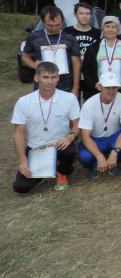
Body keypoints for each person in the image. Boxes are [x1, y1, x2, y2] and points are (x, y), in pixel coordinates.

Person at [11, 62, 81, 193]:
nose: (50, 81)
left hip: (60, 145)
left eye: (53, 77)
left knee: (70, 151)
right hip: (36, 148)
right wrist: (23, 160)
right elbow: (18, 133)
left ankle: (62, 171)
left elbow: (78, 125)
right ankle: (44, 170)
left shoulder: (69, 98)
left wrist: (70, 136)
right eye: (45, 77)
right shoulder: (24, 102)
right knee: (21, 187)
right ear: (36, 78)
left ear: (58, 78)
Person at [77, 73, 121, 179]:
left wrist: (115, 152)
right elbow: (85, 136)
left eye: (114, 87)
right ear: (100, 87)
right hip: (95, 139)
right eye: (107, 87)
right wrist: (99, 156)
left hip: (114, 136)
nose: (111, 91)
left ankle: (113, 160)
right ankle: (95, 164)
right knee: (84, 157)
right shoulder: (88, 105)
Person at [22, 5, 81, 95]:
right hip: (42, 85)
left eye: (58, 25)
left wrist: (76, 88)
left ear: (62, 21)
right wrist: (33, 64)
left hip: (66, 86)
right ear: (43, 22)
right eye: (50, 25)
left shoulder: (70, 38)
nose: (54, 28)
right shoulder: (34, 37)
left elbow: (76, 64)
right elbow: (25, 56)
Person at [82, 16, 121, 99]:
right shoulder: (93, 47)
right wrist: (94, 84)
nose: (110, 30)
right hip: (100, 89)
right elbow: (86, 68)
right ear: (102, 28)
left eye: (113, 27)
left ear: (118, 29)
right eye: (107, 26)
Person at [64, 2, 102, 98]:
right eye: (81, 13)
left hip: (91, 75)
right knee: (72, 102)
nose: (84, 16)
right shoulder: (67, 32)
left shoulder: (97, 33)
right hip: (71, 75)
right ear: (75, 15)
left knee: (89, 103)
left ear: (91, 15)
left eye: (87, 13)